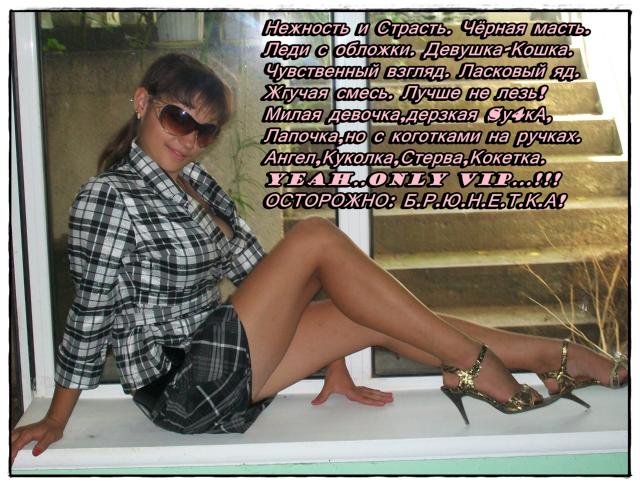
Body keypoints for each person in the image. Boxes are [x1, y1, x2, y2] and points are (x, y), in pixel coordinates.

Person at [11, 53, 628, 462]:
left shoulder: (197, 187)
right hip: (180, 384)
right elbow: (89, 316)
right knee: (313, 235)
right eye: (178, 118)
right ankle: (475, 365)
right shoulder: (109, 195)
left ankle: (559, 357)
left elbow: (265, 279)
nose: (189, 139)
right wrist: (58, 419)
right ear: (142, 102)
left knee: (377, 314)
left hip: (220, 361)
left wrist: (332, 361)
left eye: (205, 131)